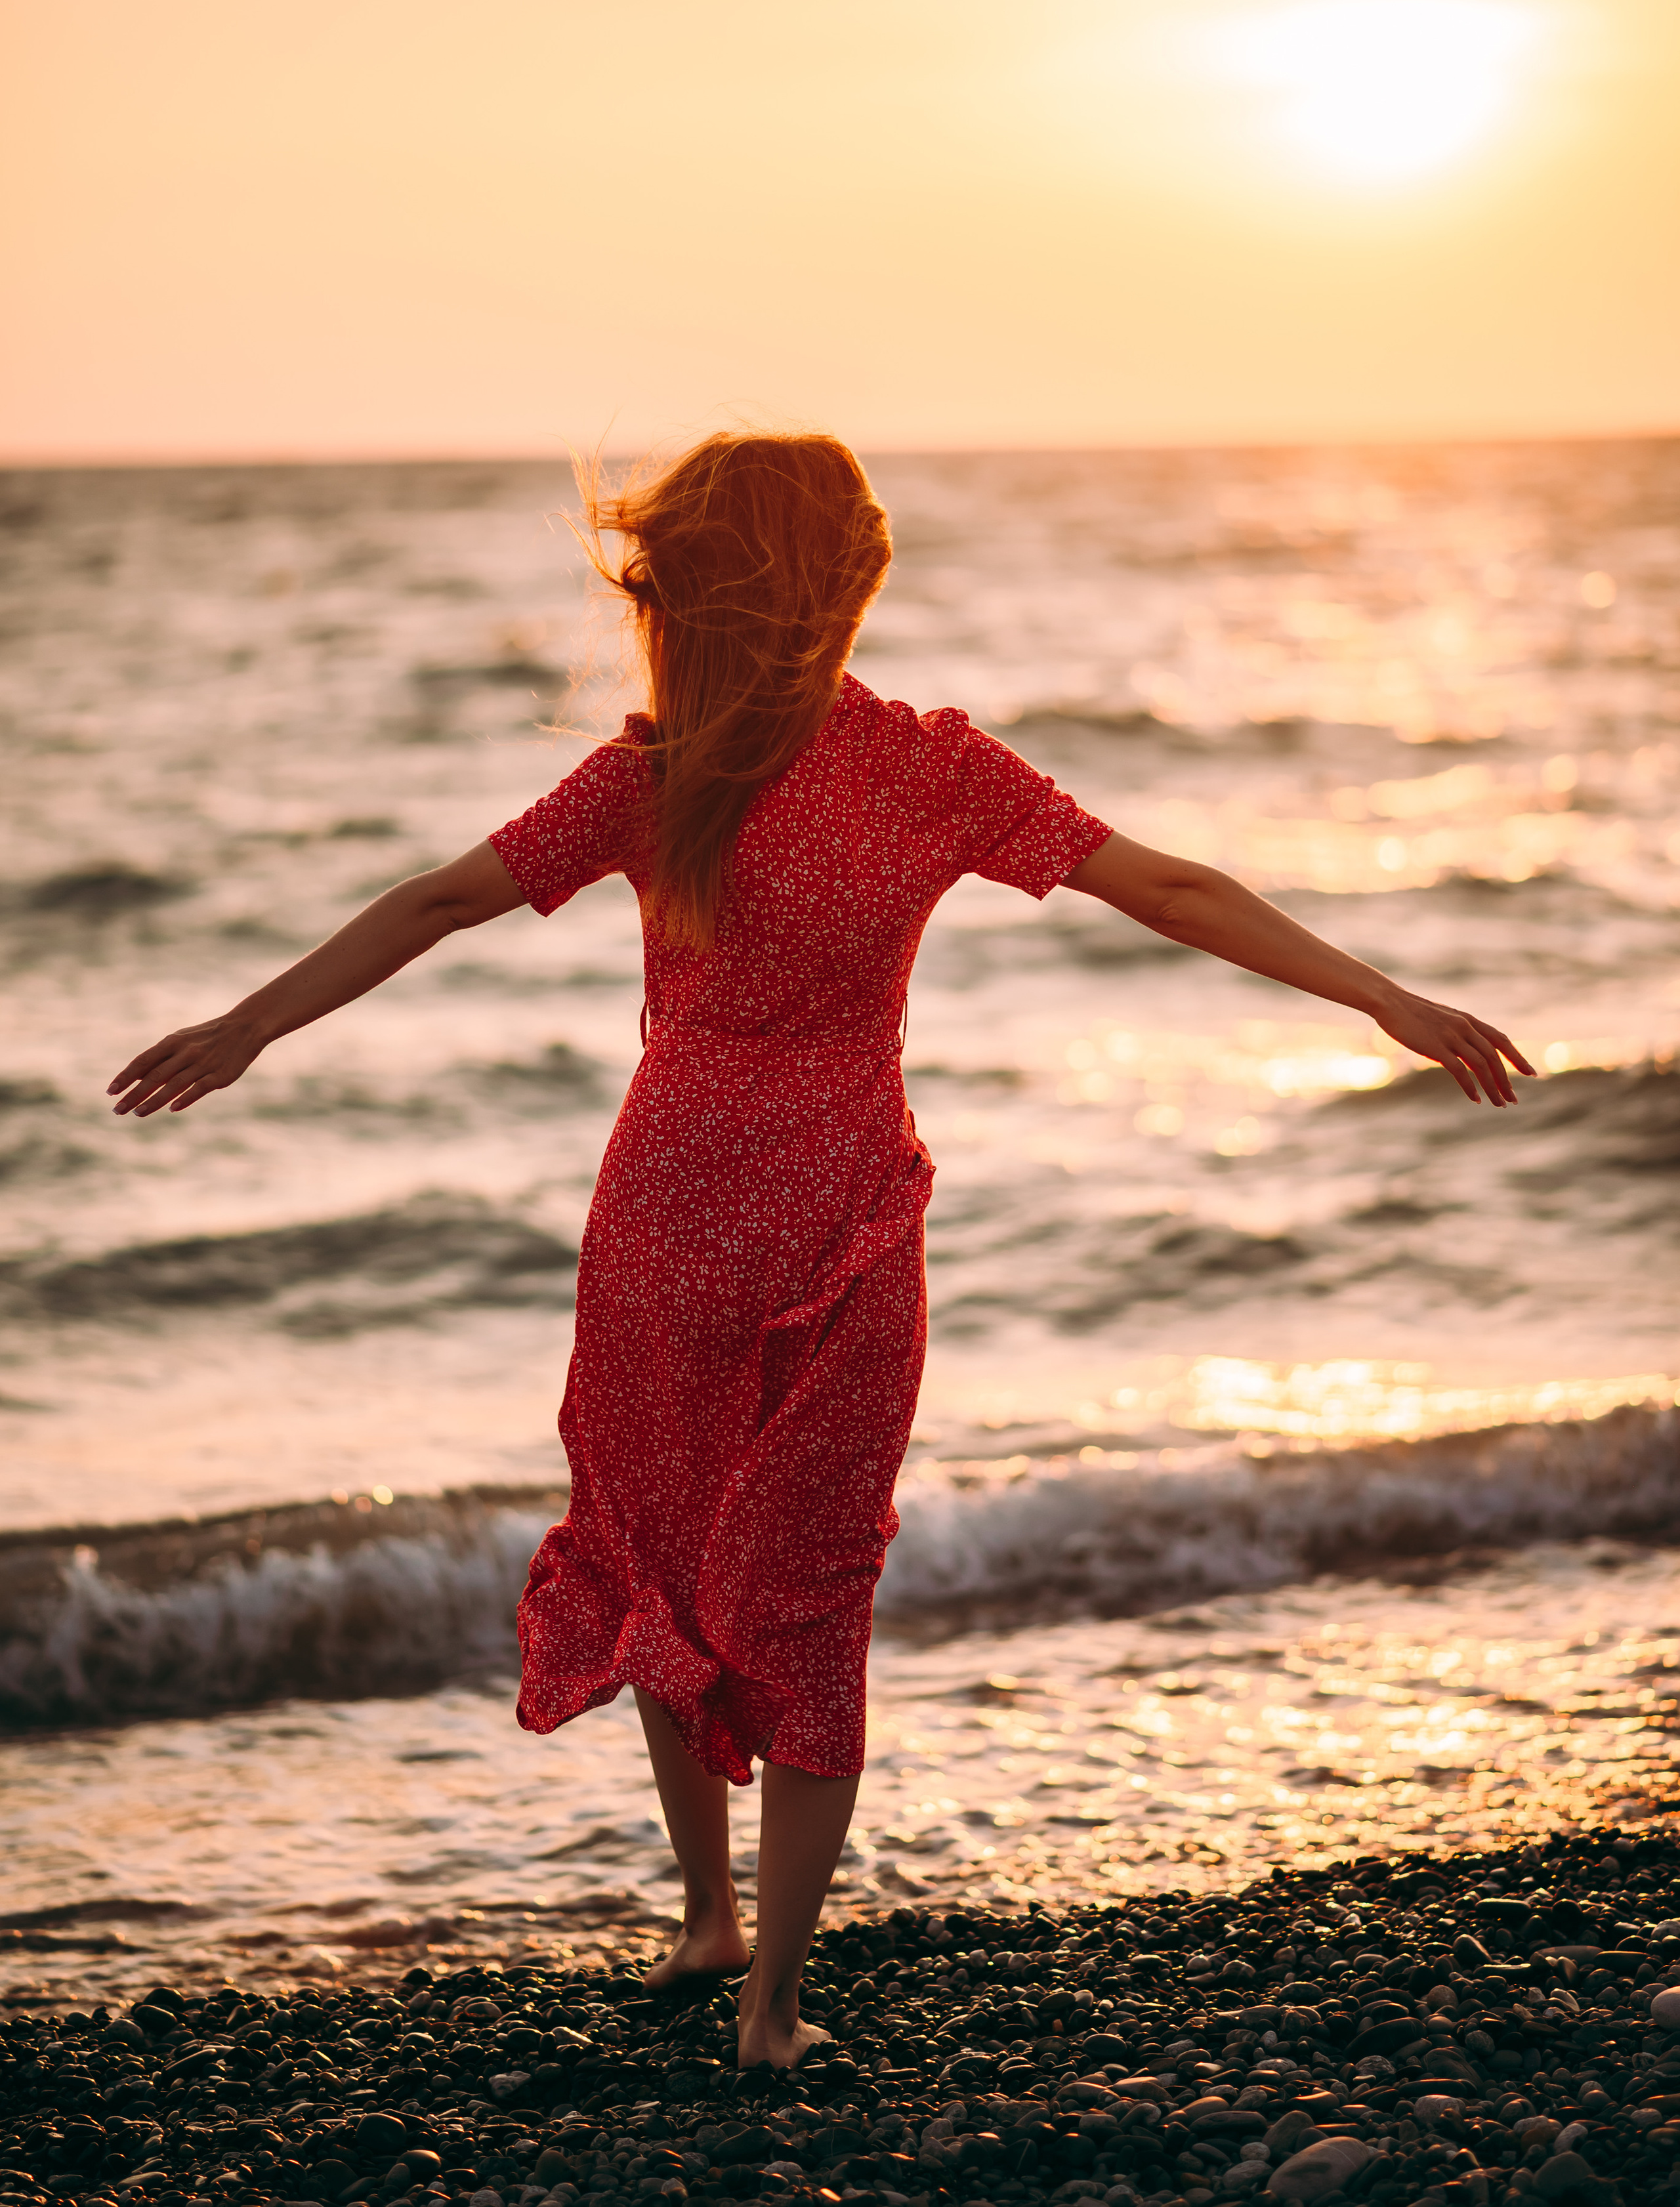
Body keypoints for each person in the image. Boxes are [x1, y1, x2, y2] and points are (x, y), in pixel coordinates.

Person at [108, 430, 1532, 2066]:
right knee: (812, 1585)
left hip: (660, 1216)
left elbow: (435, 903)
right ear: (851, 587)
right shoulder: (929, 770)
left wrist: (250, 1025)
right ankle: (769, 2001)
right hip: (839, 1218)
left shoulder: (653, 776)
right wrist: (1381, 998)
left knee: (656, 1543)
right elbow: (1173, 889)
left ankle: (704, 1918)